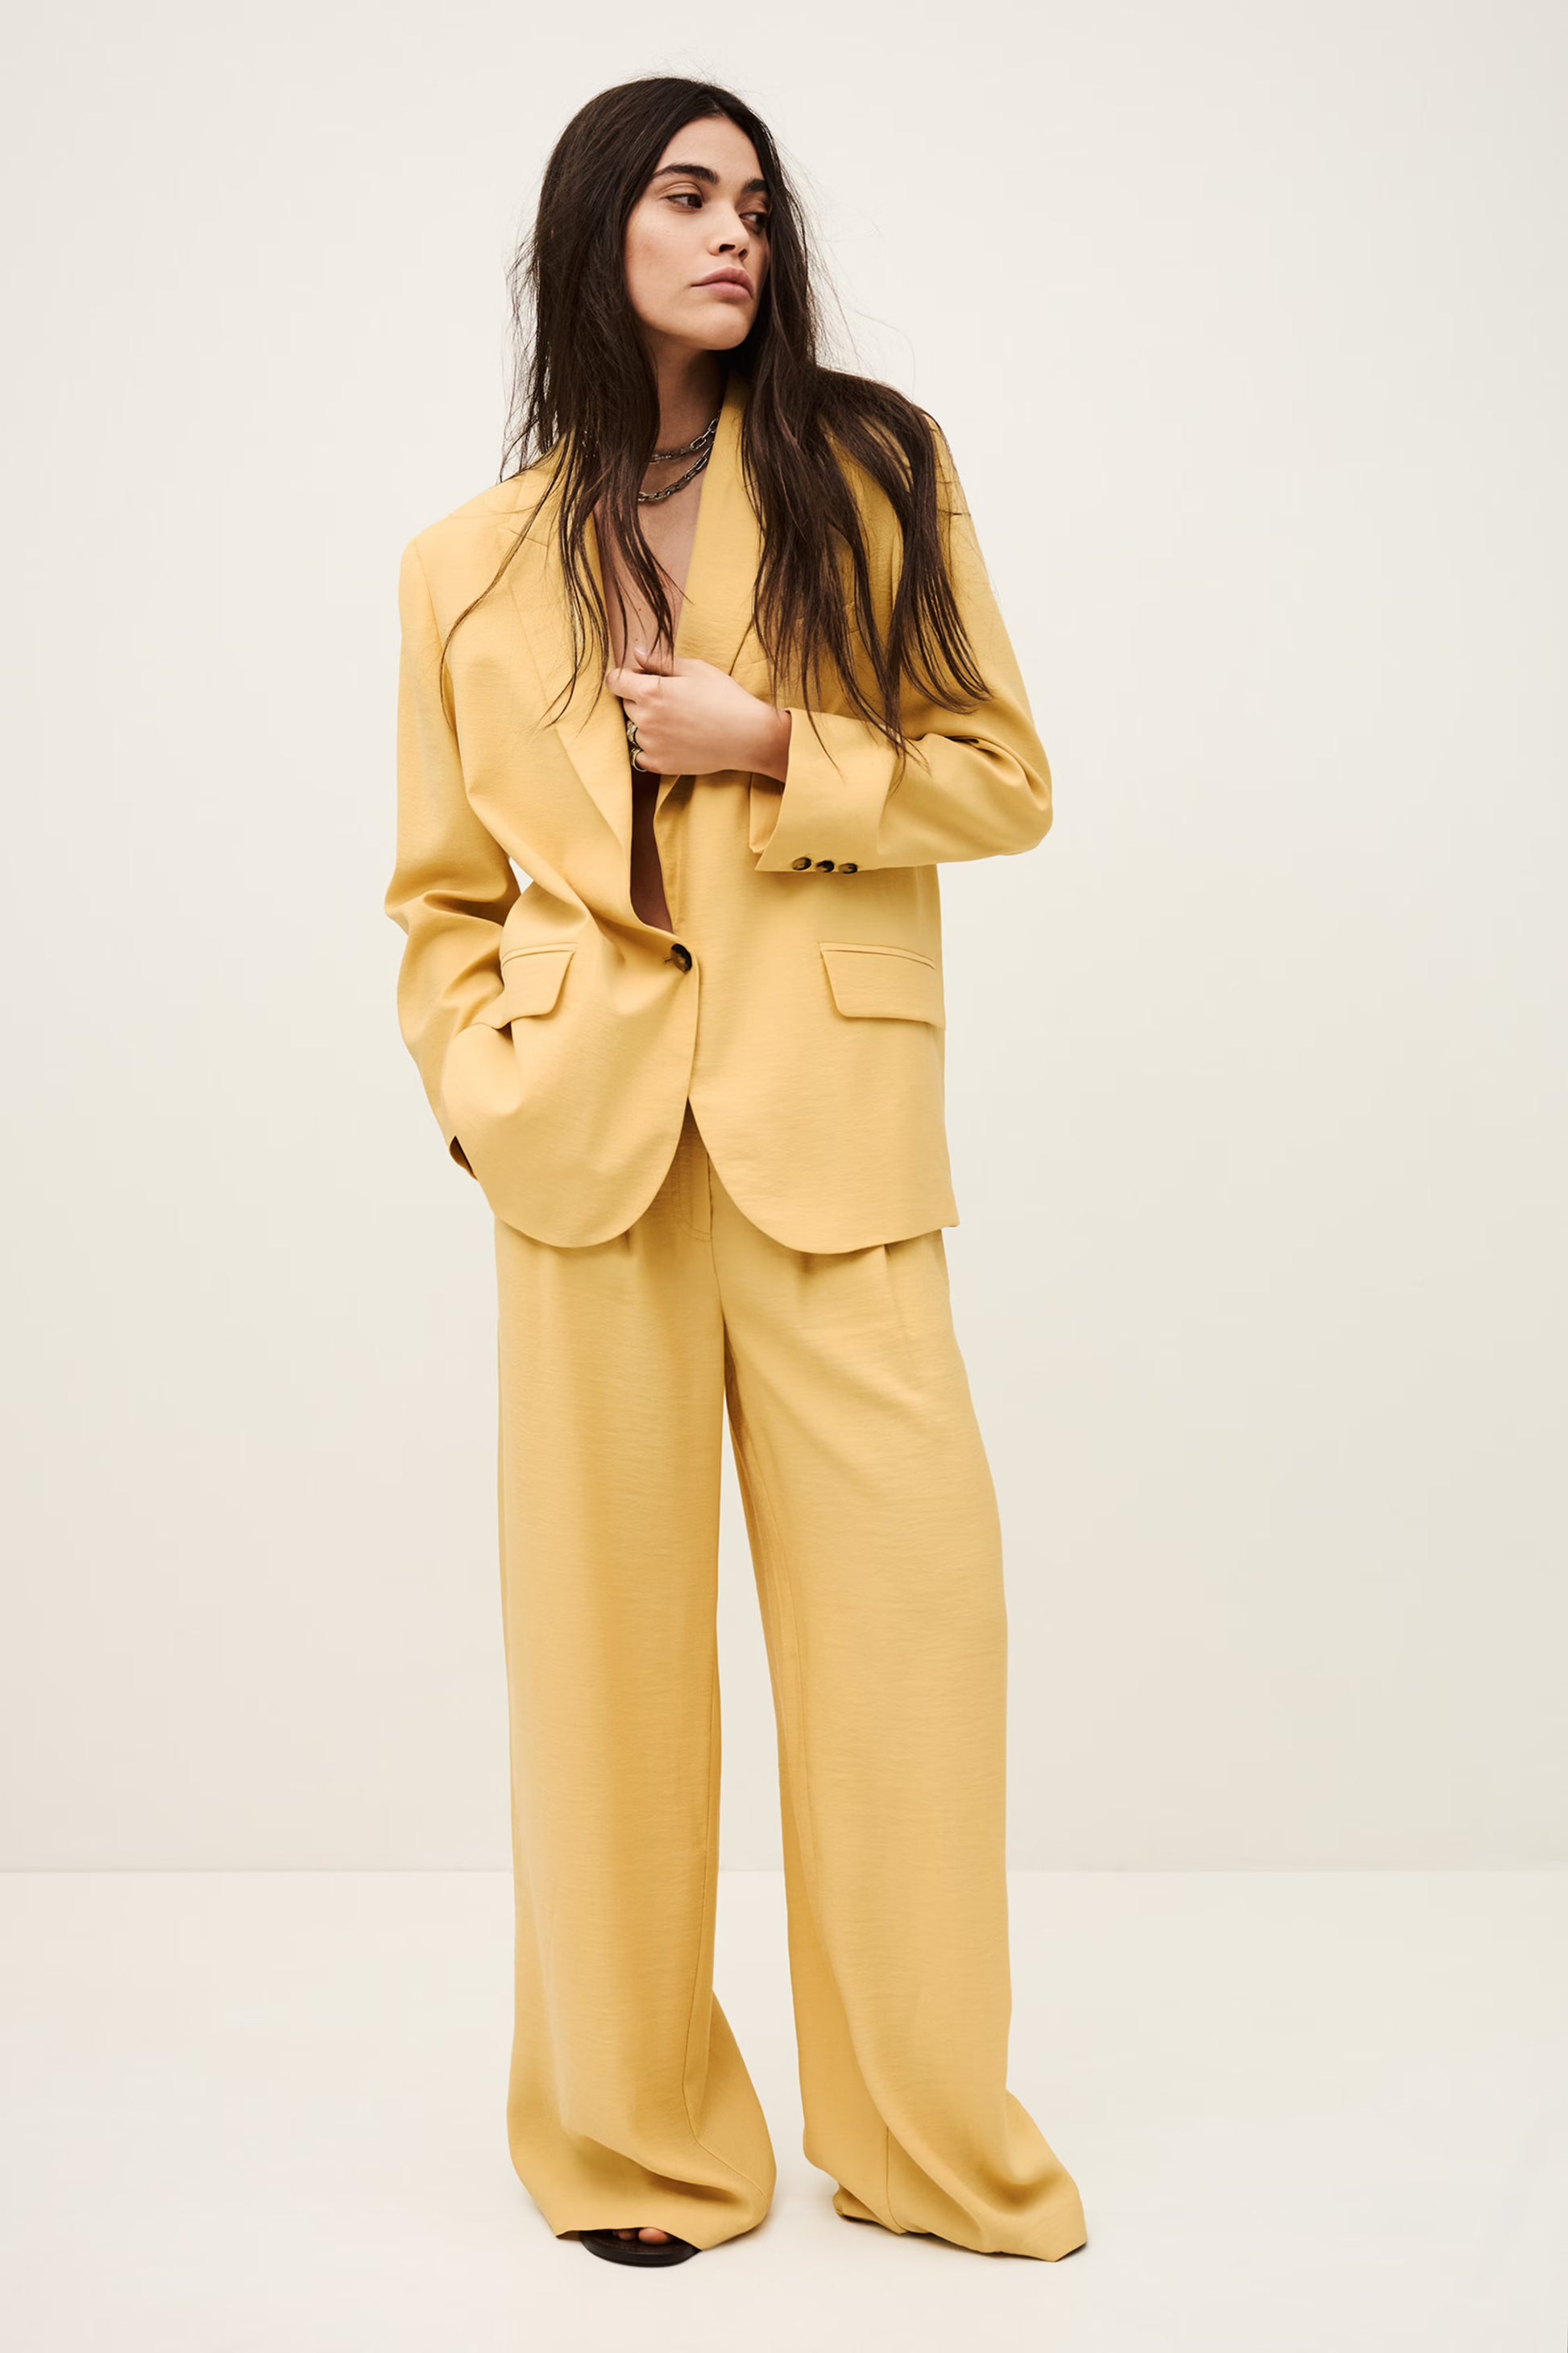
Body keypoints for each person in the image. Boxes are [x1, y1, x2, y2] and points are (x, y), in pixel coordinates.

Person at [386, 75, 1088, 2272]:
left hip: (836, 1141)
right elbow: (432, 897)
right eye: (687, 197)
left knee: (907, 1644)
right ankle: (637, 2151)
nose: (733, 237)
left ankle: (918, 2136)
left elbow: (1000, 782)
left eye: (758, 207)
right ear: (593, 227)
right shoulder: (462, 565)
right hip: (581, 1152)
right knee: (599, 1666)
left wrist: (776, 744)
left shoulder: (869, 469)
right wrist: (484, 1081)